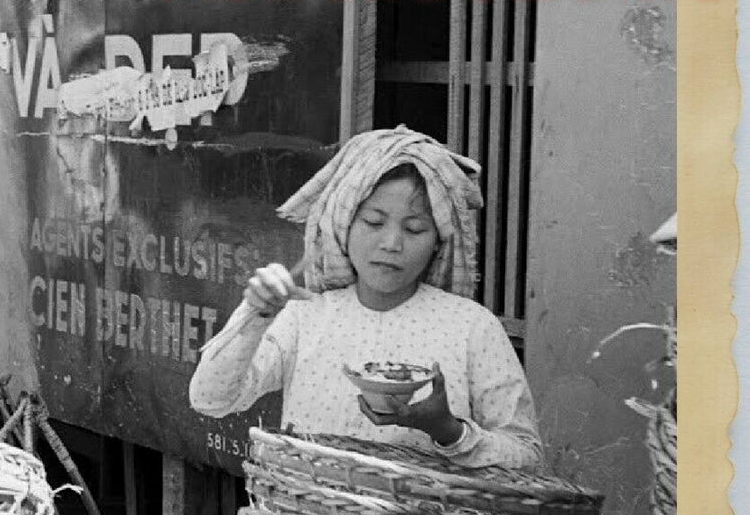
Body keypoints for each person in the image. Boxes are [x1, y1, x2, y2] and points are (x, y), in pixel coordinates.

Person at [189, 125, 543, 469]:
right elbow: (210, 399)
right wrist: (255, 315)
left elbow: (527, 455)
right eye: (374, 222)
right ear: (343, 226)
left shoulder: (471, 326)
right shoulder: (305, 317)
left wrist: (448, 431)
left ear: (437, 240)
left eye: (414, 228)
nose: (392, 243)